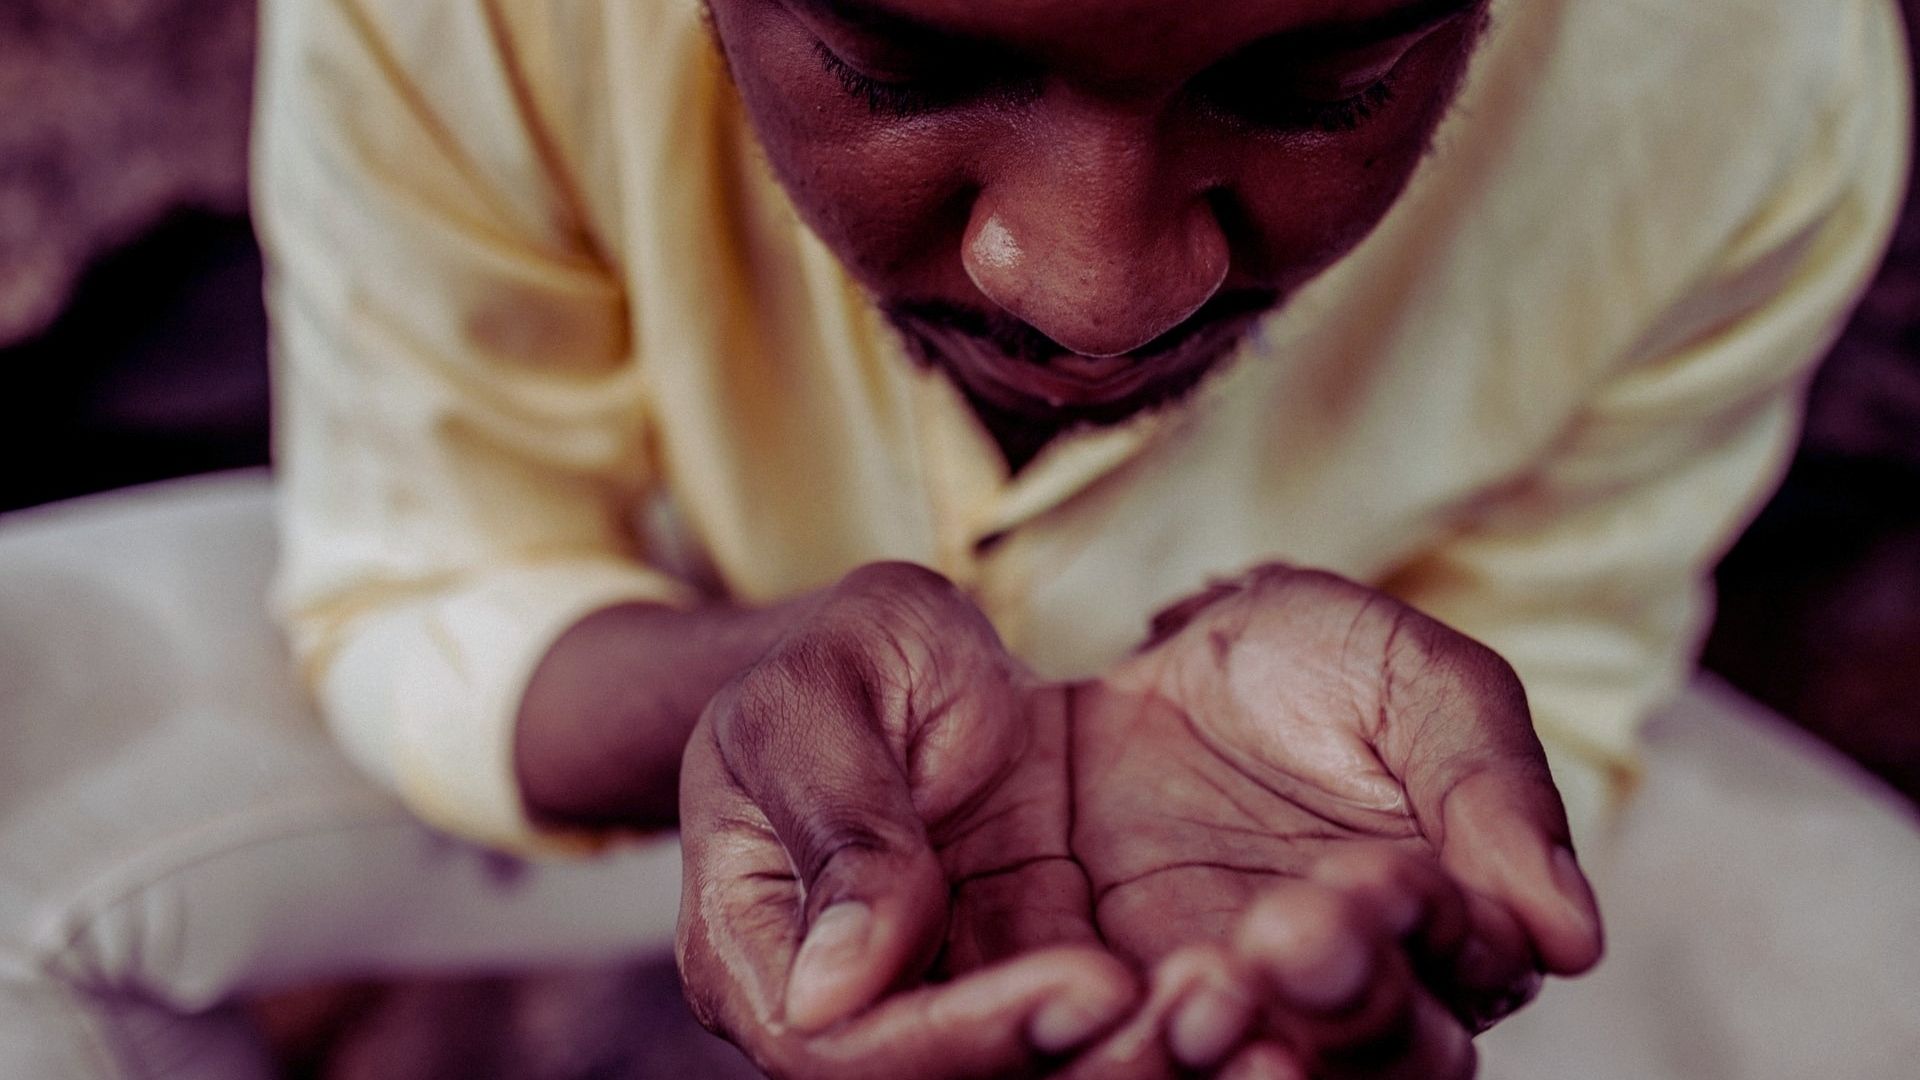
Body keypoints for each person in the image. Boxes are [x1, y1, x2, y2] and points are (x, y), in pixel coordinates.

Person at [0, 0, 1911, 1077]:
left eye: (1322, 84)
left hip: (1291, 806)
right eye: (900, 69)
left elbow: (1557, 659)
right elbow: (434, 571)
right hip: (683, 681)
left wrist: (1404, 880)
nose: (1092, 291)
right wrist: (753, 684)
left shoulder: (1753, 67)